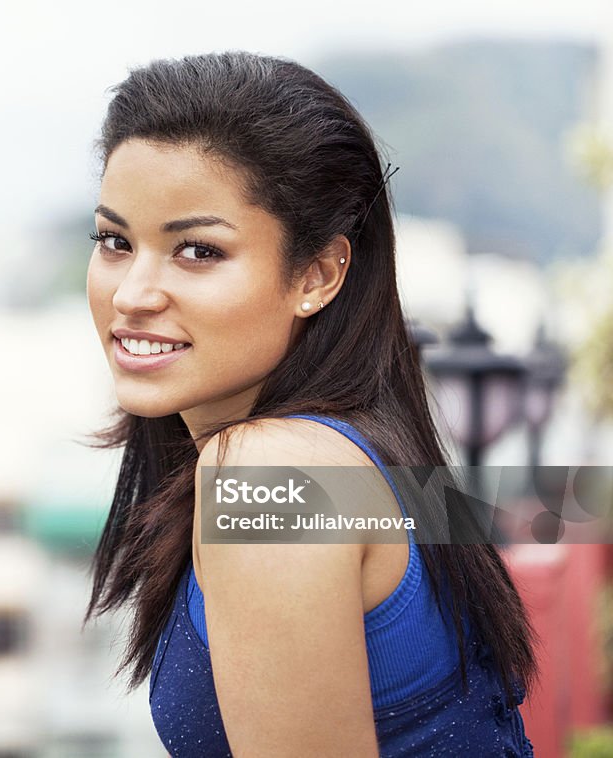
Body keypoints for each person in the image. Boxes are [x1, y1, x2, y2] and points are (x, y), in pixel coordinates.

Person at [81, 52, 536, 757]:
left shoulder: (268, 473)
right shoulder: (354, 455)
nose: (133, 294)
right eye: (115, 241)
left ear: (318, 274)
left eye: (198, 251)